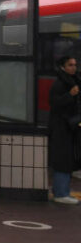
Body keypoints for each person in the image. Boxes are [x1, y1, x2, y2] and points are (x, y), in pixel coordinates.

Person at [48, 55, 81, 204]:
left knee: (67, 158)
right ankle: (61, 193)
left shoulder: (72, 81)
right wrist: (70, 95)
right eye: (70, 65)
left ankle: (63, 191)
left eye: (75, 65)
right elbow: (55, 104)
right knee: (63, 158)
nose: (74, 67)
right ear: (63, 67)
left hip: (69, 126)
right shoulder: (60, 84)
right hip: (62, 127)